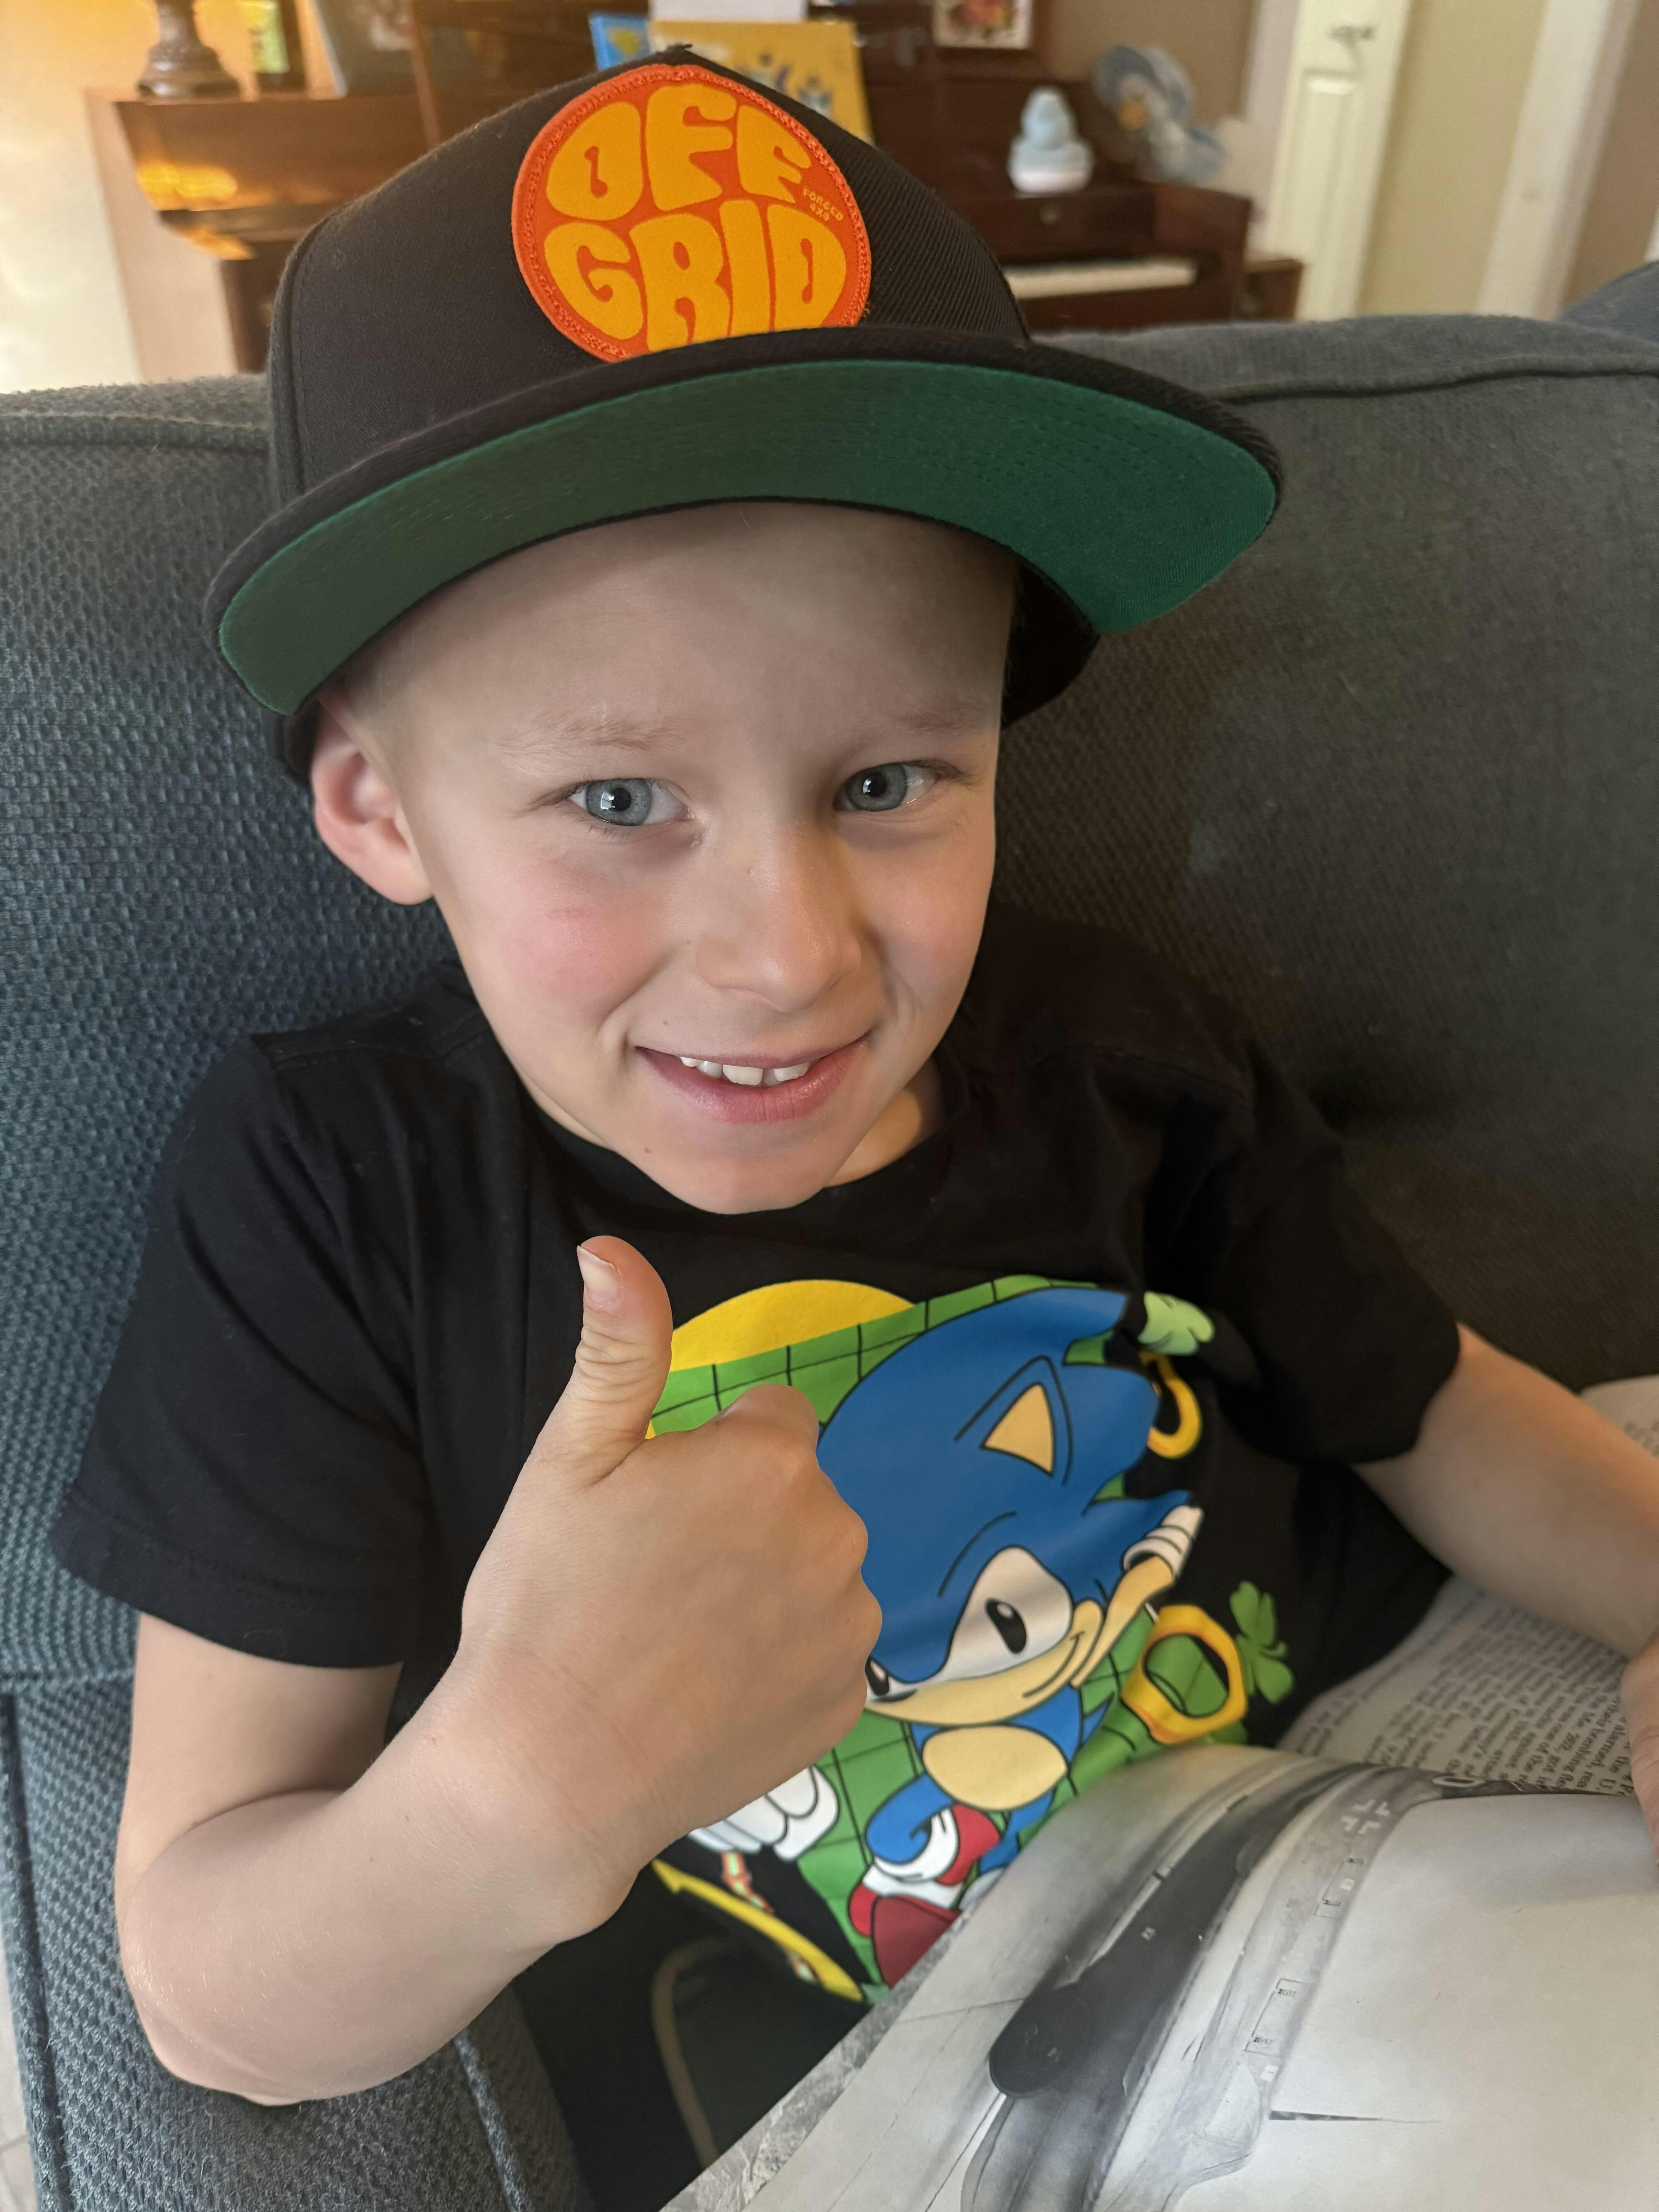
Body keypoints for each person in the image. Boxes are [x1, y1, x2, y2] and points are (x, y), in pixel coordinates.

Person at [52, 49, 1659, 2212]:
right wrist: (527, 1787)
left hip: (1381, 1788)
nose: (792, 956)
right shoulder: (334, 1189)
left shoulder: (1120, 1050)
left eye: (889, 783)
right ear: (378, 806)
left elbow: (1432, 1406)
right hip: (961, 2070)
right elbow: (210, 1998)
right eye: (619, 800)